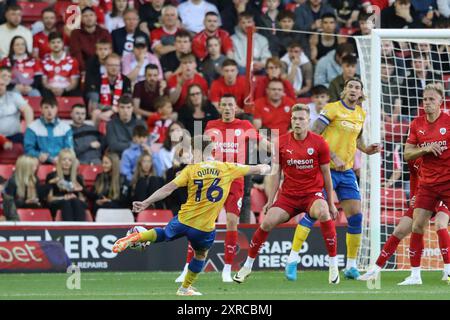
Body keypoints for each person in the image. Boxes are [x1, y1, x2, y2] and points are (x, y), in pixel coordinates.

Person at [112, 134, 271, 296]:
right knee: (201, 255)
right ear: (213, 150)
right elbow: (257, 169)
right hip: (204, 228)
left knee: (163, 233)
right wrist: (268, 167)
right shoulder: (226, 167)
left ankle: (134, 238)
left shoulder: (190, 170)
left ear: (196, 151)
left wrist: (146, 202)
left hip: (184, 219)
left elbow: (167, 189)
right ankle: (184, 288)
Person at [233, 104, 340, 284]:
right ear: (291, 120)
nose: (297, 122)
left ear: (308, 121)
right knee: (266, 223)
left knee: (323, 212)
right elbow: (276, 173)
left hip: (312, 195)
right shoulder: (280, 143)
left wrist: (330, 203)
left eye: (301, 119)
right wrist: (271, 200)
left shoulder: (319, 143)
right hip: (289, 197)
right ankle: (247, 266)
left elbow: (327, 175)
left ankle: (333, 265)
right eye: (294, 118)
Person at [176, 93, 271, 283]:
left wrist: (281, 148)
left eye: (230, 105)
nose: (227, 108)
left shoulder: (245, 126)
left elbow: (265, 144)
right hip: (213, 178)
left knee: (231, 221)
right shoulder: (211, 126)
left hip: (235, 178)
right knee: (200, 221)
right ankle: (188, 267)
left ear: (235, 108)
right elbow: (200, 151)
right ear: (219, 107)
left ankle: (227, 268)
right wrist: (188, 167)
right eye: (224, 105)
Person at [311, 78, 381, 279]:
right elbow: (314, 134)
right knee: (313, 212)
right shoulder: (331, 109)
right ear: (344, 91)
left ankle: (350, 265)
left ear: (361, 93)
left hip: (347, 171)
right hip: (326, 169)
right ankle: (293, 258)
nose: (353, 90)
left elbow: (356, 139)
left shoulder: (360, 113)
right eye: (350, 86)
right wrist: (332, 155)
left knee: (356, 216)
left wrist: (366, 149)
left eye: (357, 87)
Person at [359, 157, 450, 282]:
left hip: (442, 196)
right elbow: (413, 177)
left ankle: (448, 270)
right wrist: (414, 197)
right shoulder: (413, 157)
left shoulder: (442, 150)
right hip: (423, 197)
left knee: (440, 224)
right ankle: (375, 270)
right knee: (400, 230)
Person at [401, 83, 450, 285]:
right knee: (417, 225)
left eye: (431, 99)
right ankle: (415, 275)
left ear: (441, 102)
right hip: (427, 184)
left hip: (448, 182)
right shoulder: (416, 124)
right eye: (425, 99)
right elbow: (407, 154)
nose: (427, 103)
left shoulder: (448, 122)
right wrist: (426, 148)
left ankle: (448, 270)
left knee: (440, 224)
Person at [24, 95, 73, 164]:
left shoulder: (65, 127)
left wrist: (61, 157)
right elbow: (28, 149)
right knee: (29, 161)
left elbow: (69, 149)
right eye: (46, 107)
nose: (49, 110)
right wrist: (38, 155)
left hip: (61, 161)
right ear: (40, 109)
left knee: (75, 161)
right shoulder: (32, 127)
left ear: (57, 109)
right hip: (39, 161)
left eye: (52, 107)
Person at [88, 54, 132, 125]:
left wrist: (111, 111)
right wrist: (112, 108)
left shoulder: (126, 80)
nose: (114, 68)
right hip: (101, 111)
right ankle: (96, 135)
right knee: (96, 112)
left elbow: (127, 102)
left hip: (120, 110)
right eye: (111, 65)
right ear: (105, 66)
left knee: (126, 110)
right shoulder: (96, 79)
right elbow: (94, 104)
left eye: (117, 65)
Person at [46, 149, 87, 221]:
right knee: (67, 203)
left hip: (75, 202)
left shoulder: (78, 177)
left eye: (70, 160)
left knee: (76, 202)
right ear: (59, 161)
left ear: (73, 162)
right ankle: (69, 229)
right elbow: (49, 199)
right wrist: (63, 198)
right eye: (64, 159)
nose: (67, 162)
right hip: (58, 202)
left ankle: (80, 228)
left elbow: (83, 199)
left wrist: (74, 197)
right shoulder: (52, 176)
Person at [69, 7, 112, 71]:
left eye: (91, 15)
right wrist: (86, 70)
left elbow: (109, 51)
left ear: (95, 17)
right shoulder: (76, 34)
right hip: (83, 69)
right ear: (81, 19)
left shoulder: (104, 32)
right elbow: (76, 54)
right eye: (85, 16)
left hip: (103, 67)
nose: (89, 18)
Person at [2, 155, 43, 221]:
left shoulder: (35, 179)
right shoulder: (12, 182)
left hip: (34, 213)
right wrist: (24, 202)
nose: (36, 168)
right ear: (26, 168)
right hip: (15, 216)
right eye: (33, 166)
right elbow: (8, 205)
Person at [42, 31, 80, 97]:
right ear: (48, 44)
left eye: (58, 42)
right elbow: (44, 83)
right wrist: (52, 89)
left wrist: (63, 90)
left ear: (63, 44)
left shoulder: (73, 61)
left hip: (67, 90)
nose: (56, 45)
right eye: (53, 42)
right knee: (43, 93)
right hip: (50, 90)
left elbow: (74, 83)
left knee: (75, 93)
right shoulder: (44, 61)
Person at [0, 76, 33, 144]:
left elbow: (27, 110)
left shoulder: (14, 96)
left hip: (14, 136)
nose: (0, 87)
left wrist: (28, 129)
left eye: (2, 84)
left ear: (6, 85)